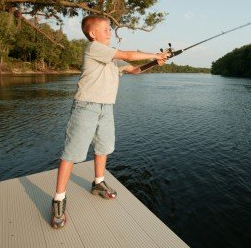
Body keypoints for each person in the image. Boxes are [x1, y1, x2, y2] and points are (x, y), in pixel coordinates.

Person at [51, 15, 170, 229]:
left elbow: (134, 69)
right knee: (71, 153)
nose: (110, 33)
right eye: (106, 29)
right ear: (92, 33)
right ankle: (59, 199)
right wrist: (155, 53)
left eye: (110, 29)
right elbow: (129, 54)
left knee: (103, 147)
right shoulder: (93, 48)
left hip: (106, 107)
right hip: (86, 106)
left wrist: (155, 62)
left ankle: (98, 183)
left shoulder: (112, 58)